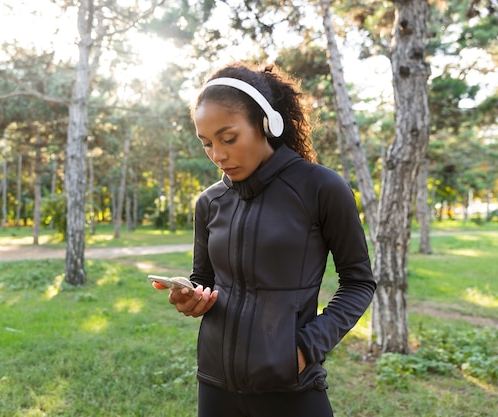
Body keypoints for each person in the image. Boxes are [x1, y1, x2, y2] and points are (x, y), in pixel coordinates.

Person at [152, 62, 376, 417]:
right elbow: (205, 280)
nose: (218, 155)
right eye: (206, 143)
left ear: (267, 124)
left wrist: (304, 348)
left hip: (290, 386)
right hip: (215, 386)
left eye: (228, 139)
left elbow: (358, 282)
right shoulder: (209, 203)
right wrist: (190, 296)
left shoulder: (321, 188)